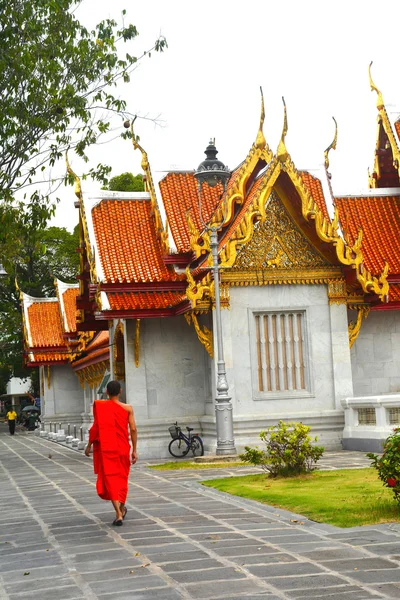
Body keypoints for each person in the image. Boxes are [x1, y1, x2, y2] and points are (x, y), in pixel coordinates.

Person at [85, 380, 137, 526]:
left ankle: (118, 513)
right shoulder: (128, 408)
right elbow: (133, 429)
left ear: (107, 392)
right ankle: (121, 507)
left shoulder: (101, 407)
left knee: (110, 478)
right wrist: (135, 450)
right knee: (122, 478)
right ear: (120, 391)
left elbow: (95, 428)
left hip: (106, 448)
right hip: (122, 448)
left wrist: (89, 445)